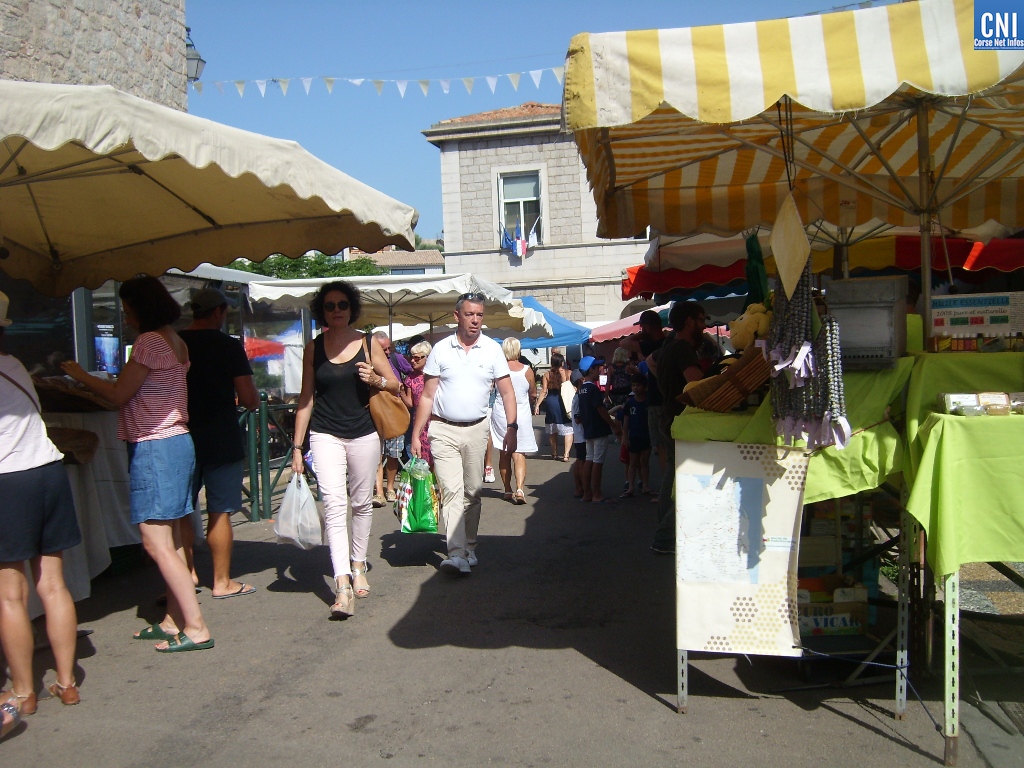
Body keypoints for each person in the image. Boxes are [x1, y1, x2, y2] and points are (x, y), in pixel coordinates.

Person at [63, 277, 212, 652]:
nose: (126, 317)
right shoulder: (174, 341)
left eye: (128, 310)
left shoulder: (148, 342)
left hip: (154, 447)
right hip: (177, 443)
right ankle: (172, 620)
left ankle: (195, 626)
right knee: (173, 540)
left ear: (141, 309)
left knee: (156, 542)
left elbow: (118, 395)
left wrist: (80, 376)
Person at [290, 281, 400, 618]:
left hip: (364, 432)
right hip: (324, 434)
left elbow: (394, 384)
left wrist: (376, 380)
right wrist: (297, 446)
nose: (336, 310)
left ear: (352, 309)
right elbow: (306, 398)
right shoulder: (313, 347)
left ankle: (358, 563)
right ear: (320, 311)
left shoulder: (367, 343)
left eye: (342, 305)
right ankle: (342, 584)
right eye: (329, 306)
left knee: (362, 502)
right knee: (335, 505)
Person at [1, 291, 82, 715]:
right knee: (53, 585)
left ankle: (23, 692)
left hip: (8, 481)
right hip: (48, 472)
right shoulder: (12, 365)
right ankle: (67, 683)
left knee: (10, 594)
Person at [410, 293, 517, 575]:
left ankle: (469, 546)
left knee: (473, 491)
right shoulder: (441, 350)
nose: (475, 320)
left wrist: (512, 428)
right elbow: (427, 396)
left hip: (477, 430)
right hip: (442, 429)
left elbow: (507, 392)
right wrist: (416, 433)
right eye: (470, 314)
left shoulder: (492, 349)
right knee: (452, 492)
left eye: (479, 315)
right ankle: (456, 553)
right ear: (457, 316)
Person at [178, 288, 260, 599]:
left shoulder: (174, 342)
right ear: (218, 312)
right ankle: (222, 581)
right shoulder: (227, 346)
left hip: (180, 433)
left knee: (182, 511)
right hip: (221, 434)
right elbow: (251, 398)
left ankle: (184, 578)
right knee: (220, 510)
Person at [650, 302, 708, 555]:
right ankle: (665, 537)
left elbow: (651, 363)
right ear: (688, 321)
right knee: (684, 479)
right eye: (701, 319)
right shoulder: (682, 347)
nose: (704, 325)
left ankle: (665, 534)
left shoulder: (667, 345)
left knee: (671, 478)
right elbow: (697, 386)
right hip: (682, 419)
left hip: (668, 415)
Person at [622, 310, 668, 486]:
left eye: (642, 327)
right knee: (667, 445)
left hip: (657, 400)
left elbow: (624, 342)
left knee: (661, 446)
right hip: (667, 396)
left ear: (647, 327)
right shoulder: (667, 342)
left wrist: (643, 333)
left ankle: (666, 487)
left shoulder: (652, 344)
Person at [491, 337, 537, 504]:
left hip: (501, 413)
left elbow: (491, 388)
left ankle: (507, 490)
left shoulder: (498, 369)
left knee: (504, 453)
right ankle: (519, 489)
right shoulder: (527, 370)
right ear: (518, 350)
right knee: (519, 453)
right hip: (521, 414)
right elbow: (532, 393)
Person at [576, 356, 622, 503]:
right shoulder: (593, 389)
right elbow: (600, 409)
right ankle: (596, 494)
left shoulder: (581, 389)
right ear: (591, 370)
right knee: (597, 461)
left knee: (588, 459)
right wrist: (613, 425)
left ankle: (587, 493)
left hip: (588, 429)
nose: (599, 370)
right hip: (598, 428)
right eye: (597, 368)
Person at [372, 331, 410, 506]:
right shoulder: (367, 362)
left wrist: (405, 390)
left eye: (389, 348)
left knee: (393, 453)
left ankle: (390, 487)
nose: (387, 352)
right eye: (383, 349)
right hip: (374, 410)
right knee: (376, 453)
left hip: (393, 410)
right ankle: (379, 491)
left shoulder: (396, 358)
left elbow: (412, 372)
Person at [534, 351, 573, 462]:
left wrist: (537, 405)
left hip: (551, 401)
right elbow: (568, 387)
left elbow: (543, 391)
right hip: (563, 402)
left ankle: (554, 453)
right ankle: (566, 455)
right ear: (562, 363)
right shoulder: (568, 372)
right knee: (568, 429)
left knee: (552, 429)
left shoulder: (547, 374)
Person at [400, 340, 433, 467]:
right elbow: (410, 403)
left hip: (436, 420)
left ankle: (439, 485)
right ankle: (426, 485)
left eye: (417, 358)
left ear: (427, 357)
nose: (413, 361)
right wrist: (402, 392)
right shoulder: (411, 378)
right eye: (412, 357)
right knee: (422, 457)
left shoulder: (435, 376)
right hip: (420, 422)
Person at [620, 373, 651, 498]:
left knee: (644, 462)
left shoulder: (648, 402)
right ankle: (631, 487)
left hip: (646, 435)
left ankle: (645, 486)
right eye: (633, 385)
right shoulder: (630, 403)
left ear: (644, 386)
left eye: (638, 385)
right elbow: (626, 421)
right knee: (633, 462)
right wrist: (625, 436)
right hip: (634, 436)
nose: (635, 388)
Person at [569, 368, 587, 498]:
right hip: (581, 434)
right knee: (582, 462)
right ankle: (581, 488)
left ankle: (579, 487)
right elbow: (578, 418)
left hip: (578, 434)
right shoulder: (579, 397)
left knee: (579, 461)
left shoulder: (577, 396)